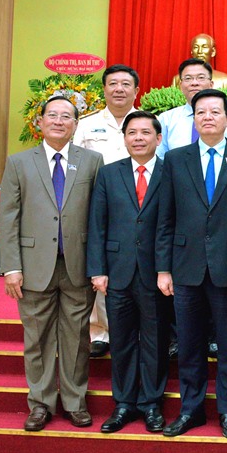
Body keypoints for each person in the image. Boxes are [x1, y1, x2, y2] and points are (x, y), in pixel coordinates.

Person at [156, 89, 227, 439]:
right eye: (201, 112)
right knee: (189, 342)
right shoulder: (175, 159)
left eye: (216, 111)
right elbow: (165, 217)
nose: (208, 117)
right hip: (185, 266)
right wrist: (163, 268)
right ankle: (191, 409)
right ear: (194, 120)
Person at [0, 96, 104, 431]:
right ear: (40, 122)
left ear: (76, 124)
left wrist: (98, 264)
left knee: (76, 338)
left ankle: (74, 402)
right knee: (38, 338)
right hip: (33, 266)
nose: (59, 121)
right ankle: (41, 404)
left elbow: (99, 217)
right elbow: (8, 217)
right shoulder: (18, 163)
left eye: (67, 117)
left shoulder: (92, 160)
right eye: (52, 115)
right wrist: (11, 267)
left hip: (77, 264)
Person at [86, 110, 169, 434]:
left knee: (154, 341)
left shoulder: (170, 172)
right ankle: (122, 404)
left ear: (158, 138)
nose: (138, 138)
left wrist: (168, 269)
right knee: (120, 341)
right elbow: (97, 224)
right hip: (117, 272)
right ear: (124, 138)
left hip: (155, 274)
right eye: (132, 132)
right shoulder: (109, 174)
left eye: (145, 132)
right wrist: (97, 270)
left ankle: (151, 404)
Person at [73, 64, 141, 358]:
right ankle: (100, 331)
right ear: (104, 89)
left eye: (126, 84)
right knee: (102, 269)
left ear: (136, 91)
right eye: (113, 84)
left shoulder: (146, 122)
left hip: (138, 208)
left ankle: (136, 328)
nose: (119, 89)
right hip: (97, 206)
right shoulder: (86, 125)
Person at [157, 58, 227, 158]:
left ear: (211, 84)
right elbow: (161, 158)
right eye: (188, 78)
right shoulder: (166, 119)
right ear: (180, 85)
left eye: (200, 77)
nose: (194, 83)